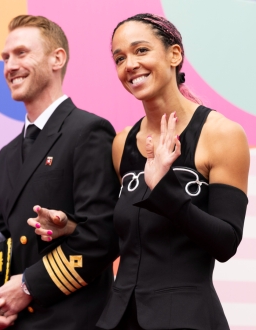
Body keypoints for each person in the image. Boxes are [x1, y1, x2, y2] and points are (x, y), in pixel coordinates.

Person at [31, 13, 250, 330]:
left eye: (141, 50)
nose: (129, 64)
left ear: (174, 54)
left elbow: (226, 242)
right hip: (119, 317)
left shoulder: (222, 135)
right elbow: (127, 235)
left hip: (187, 318)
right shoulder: (122, 143)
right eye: (119, 58)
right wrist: (70, 227)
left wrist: (163, 188)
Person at [0, 15, 120, 330]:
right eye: (5, 58)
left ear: (56, 59)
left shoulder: (88, 131)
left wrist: (28, 285)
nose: (9, 66)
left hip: (75, 321)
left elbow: (101, 236)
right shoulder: (7, 156)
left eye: (22, 53)